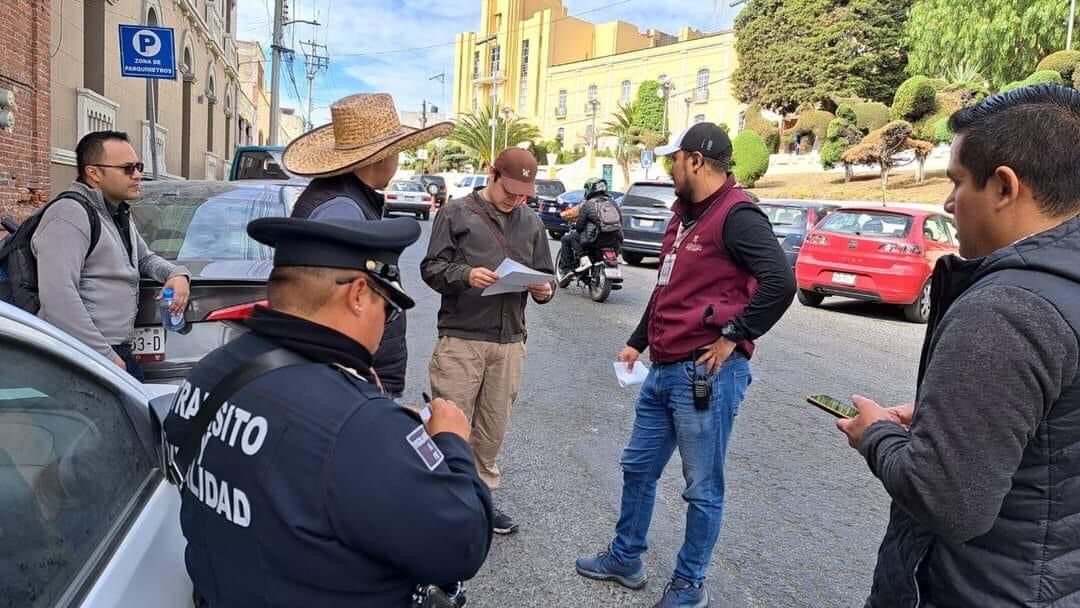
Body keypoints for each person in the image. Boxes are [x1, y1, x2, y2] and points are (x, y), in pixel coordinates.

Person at [163, 216, 493, 607]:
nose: (384, 327)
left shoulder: (213, 369)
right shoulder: (357, 425)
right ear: (357, 295)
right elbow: (462, 542)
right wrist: (451, 440)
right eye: (387, 311)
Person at [836, 85, 1080, 607]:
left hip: (976, 589)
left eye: (957, 182)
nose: (948, 203)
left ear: (1004, 187)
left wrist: (876, 435)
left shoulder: (1007, 310)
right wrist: (951, 418)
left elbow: (949, 502)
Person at [575, 122, 796, 608]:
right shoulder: (683, 217)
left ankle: (689, 585)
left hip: (707, 376)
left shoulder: (738, 216)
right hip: (662, 369)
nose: (669, 166)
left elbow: (781, 283)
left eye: (673, 158)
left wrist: (734, 337)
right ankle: (625, 556)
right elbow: (666, 289)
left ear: (696, 160)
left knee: (701, 489)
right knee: (638, 467)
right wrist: (637, 342)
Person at [421, 147, 556, 535]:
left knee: (492, 428)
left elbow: (545, 276)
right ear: (491, 173)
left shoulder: (531, 222)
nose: (515, 200)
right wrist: (465, 275)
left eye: (523, 194)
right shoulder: (456, 213)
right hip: (461, 338)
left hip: (510, 341)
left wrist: (544, 291)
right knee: (449, 425)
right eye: (509, 191)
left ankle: (480, 500)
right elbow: (432, 268)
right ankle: (436, 502)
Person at [283, 92, 453, 399]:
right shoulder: (343, 208)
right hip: (353, 376)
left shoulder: (343, 197)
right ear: (384, 156)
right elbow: (336, 308)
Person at [32, 130, 189, 381]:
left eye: (138, 166)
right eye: (128, 168)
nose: (138, 175)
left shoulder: (115, 213)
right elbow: (58, 297)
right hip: (82, 355)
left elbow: (145, 259)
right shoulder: (69, 214)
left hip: (112, 352)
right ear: (93, 173)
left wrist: (177, 274)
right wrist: (104, 356)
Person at [558, 177, 623, 279]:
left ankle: (573, 265)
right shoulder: (613, 202)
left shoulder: (588, 204)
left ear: (590, 190)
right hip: (615, 240)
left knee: (567, 239)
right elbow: (620, 222)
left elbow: (579, 226)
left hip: (595, 240)